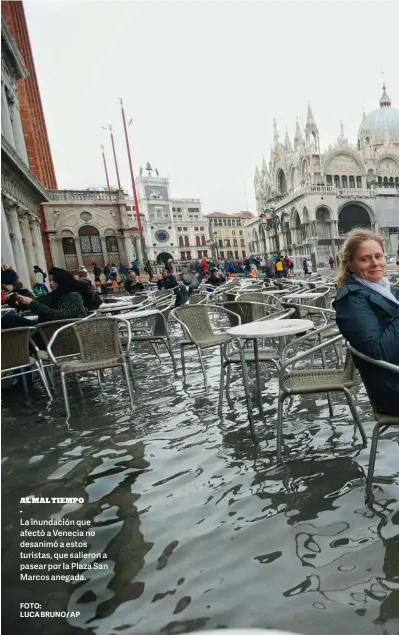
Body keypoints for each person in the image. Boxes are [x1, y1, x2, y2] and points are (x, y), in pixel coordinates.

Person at [333, 229, 399, 415]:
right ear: (351, 265)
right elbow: (377, 350)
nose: (375, 263)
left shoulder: (387, 290)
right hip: (392, 390)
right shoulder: (351, 299)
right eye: (365, 259)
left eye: (379, 256)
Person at [1, 267, 91, 328]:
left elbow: (59, 316)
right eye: (50, 280)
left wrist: (31, 303)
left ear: (62, 281)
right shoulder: (53, 295)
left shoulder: (74, 296)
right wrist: (16, 300)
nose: (51, 283)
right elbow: (37, 301)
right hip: (45, 327)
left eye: (53, 280)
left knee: (9, 320)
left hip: (56, 333)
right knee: (8, 318)